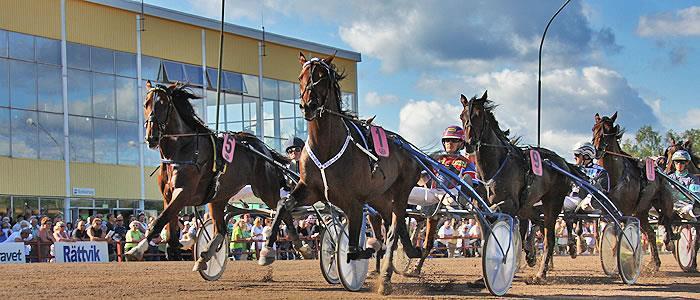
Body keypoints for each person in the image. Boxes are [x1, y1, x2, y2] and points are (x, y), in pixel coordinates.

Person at [408, 126, 474, 208]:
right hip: (433, 193)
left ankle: (461, 200)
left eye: (454, 140)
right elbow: (422, 182)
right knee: (404, 192)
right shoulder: (436, 160)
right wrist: (415, 173)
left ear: (461, 143)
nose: (449, 143)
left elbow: (472, 184)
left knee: (451, 198)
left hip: (452, 193)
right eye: (447, 140)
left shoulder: (466, 162)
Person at [563, 143, 609, 213]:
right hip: (573, 200)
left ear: (586, 156)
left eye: (577, 155)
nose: (574, 157)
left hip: (590, 203)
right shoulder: (573, 170)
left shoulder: (600, 171)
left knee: (586, 205)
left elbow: (603, 192)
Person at [668, 150, 700, 220]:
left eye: (682, 162)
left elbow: (695, 197)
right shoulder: (668, 178)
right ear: (674, 163)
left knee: (692, 209)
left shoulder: (693, 179)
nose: (679, 164)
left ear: (687, 163)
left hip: (686, 208)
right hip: (670, 207)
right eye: (677, 162)